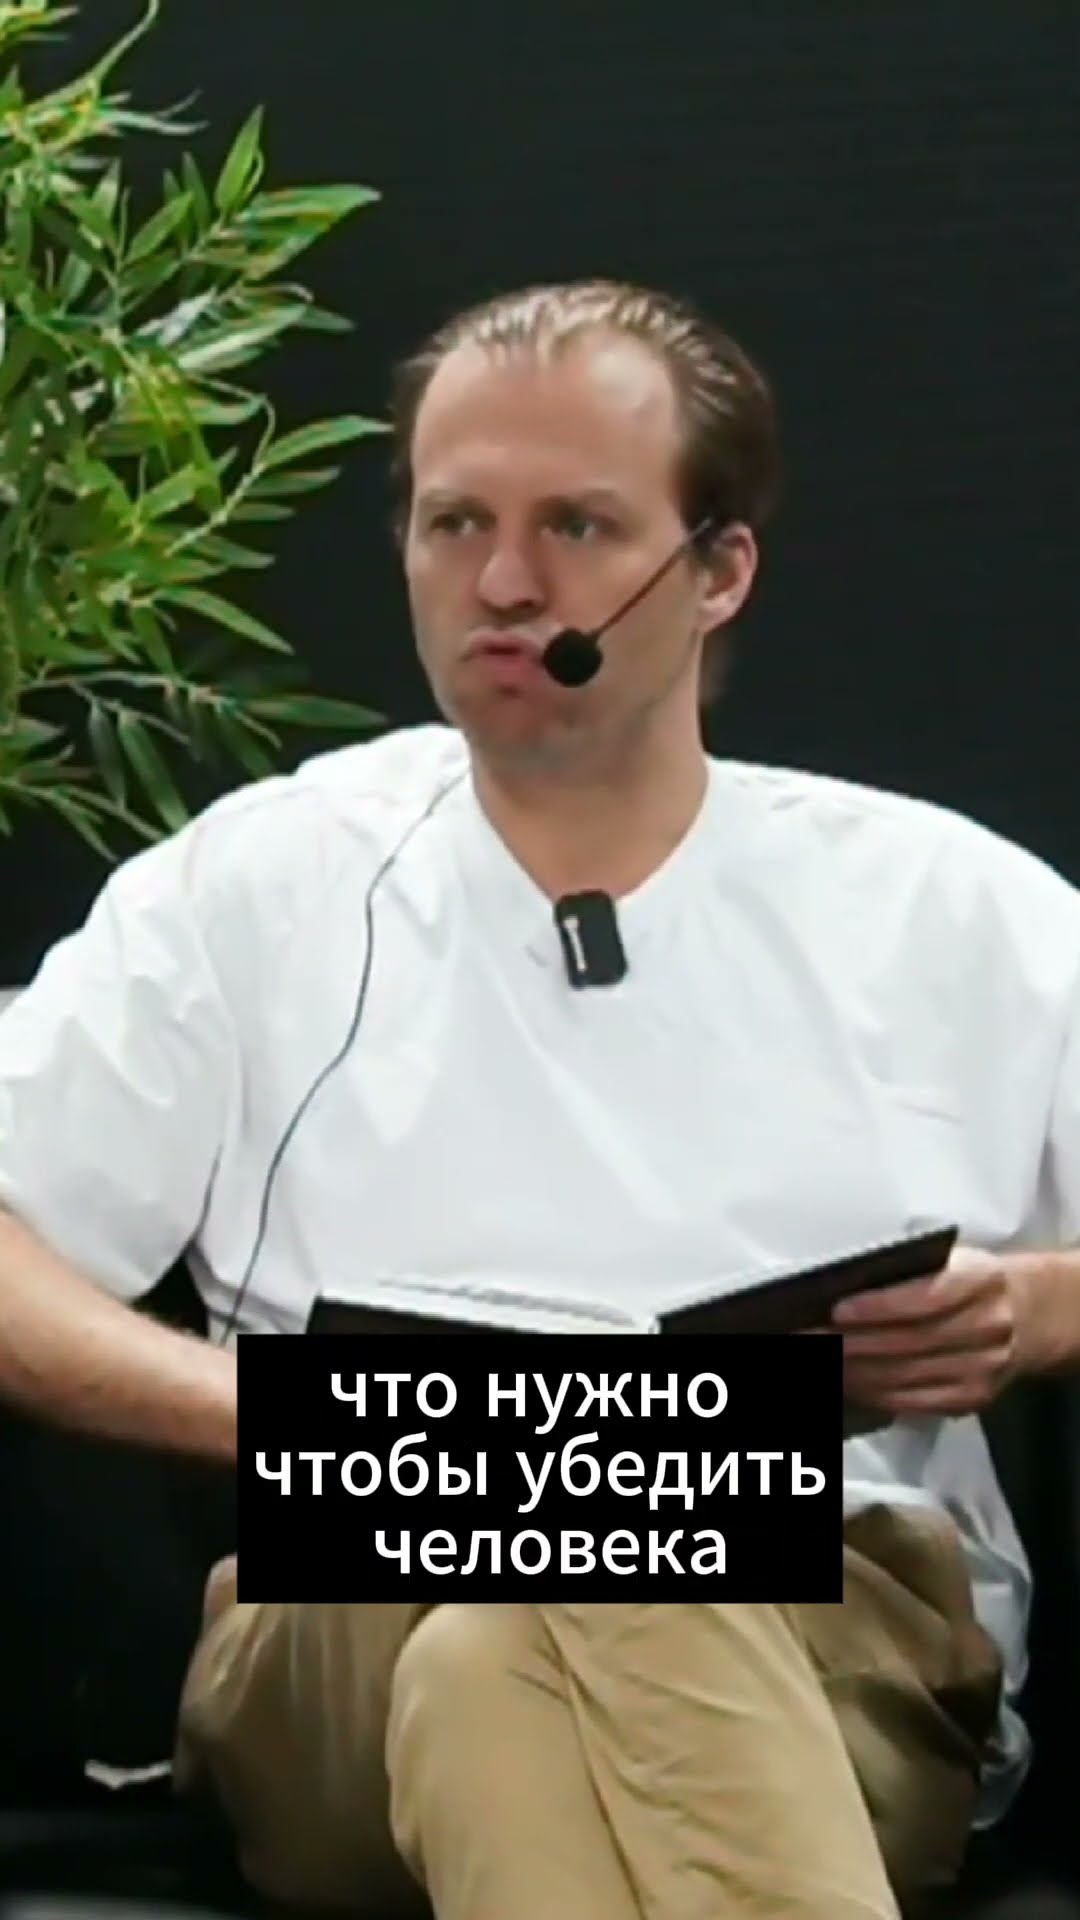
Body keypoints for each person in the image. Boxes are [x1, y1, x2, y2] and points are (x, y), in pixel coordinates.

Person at [1, 277, 1080, 1920]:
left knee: (536, 1624)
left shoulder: (943, 906)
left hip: (824, 1608)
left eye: (576, 526)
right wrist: (299, 1426)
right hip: (349, 1600)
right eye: (455, 524)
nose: (504, 584)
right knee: (600, 1515)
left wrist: (1031, 1312)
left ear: (718, 570)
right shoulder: (261, 886)